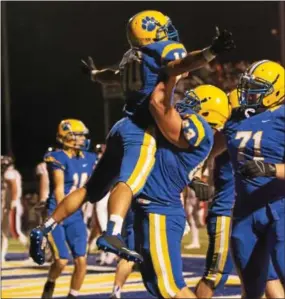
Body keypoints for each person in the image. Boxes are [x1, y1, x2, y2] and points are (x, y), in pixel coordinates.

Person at [30, 10, 235, 264]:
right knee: (129, 182)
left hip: (120, 125)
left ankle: (45, 227)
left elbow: (110, 76)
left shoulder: (131, 57)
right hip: (141, 129)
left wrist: (94, 75)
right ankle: (112, 233)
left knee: (90, 190)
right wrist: (209, 52)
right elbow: (179, 65)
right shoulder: (164, 51)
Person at [210, 60, 284, 298]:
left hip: (280, 210)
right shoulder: (236, 118)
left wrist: (270, 169)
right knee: (251, 289)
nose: (249, 93)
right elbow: (211, 148)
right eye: (248, 86)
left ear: (277, 90)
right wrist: (197, 171)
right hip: (244, 214)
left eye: (257, 87)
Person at [33, 119, 97, 299]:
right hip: (57, 213)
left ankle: (72, 295)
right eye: (78, 136)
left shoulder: (90, 158)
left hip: (76, 214)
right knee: (61, 260)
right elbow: (60, 190)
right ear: (67, 138)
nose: (83, 139)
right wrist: (65, 212)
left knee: (81, 261)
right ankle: (50, 283)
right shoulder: (58, 158)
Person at [1, 155, 27, 262]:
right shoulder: (12, 172)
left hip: (12, 205)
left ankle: (34, 249)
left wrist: (13, 201)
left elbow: (14, 187)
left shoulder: (9, 173)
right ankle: (2, 255)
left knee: (15, 232)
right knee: (3, 232)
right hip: (7, 205)